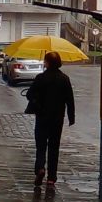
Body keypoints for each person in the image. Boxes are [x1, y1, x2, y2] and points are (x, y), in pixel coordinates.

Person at [27, 51, 76, 187]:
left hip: (42, 117)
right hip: (57, 118)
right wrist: (71, 117)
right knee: (54, 147)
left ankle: (40, 169)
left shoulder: (40, 78)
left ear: (47, 62)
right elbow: (70, 100)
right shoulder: (64, 78)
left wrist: (36, 103)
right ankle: (51, 177)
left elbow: (30, 94)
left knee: (41, 146)